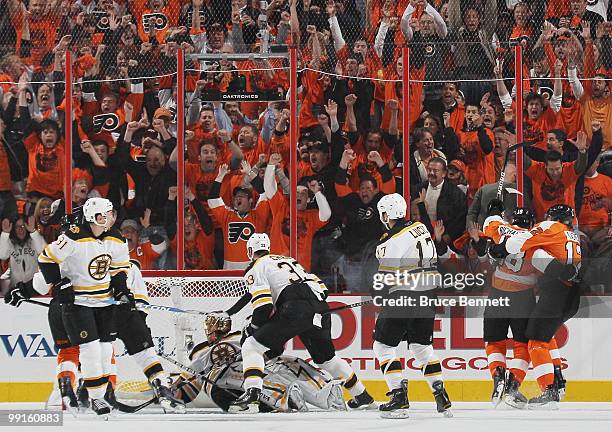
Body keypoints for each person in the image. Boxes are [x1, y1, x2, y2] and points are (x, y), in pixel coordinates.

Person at [218, 233, 374, 413]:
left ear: (250, 251)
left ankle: (252, 394)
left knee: (252, 347)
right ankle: (362, 395)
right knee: (327, 359)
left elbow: (264, 306)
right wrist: (230, 311)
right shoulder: (289, 261)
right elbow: (322, 290)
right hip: (320, 308)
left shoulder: (256, 266)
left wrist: (254, 329)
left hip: (295, 308)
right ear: (268, 248)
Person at [35, 198, 132, 417]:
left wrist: (122, 290)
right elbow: (46, 260)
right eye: (106, 213)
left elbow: (118, 269)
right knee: (90, 350)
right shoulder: (74, 236)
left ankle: (102, 393)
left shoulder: (116, 238)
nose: (110, 217)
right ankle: (95, 398)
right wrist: (61, 284)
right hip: (78, 304)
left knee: (106, 350)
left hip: (103, 303)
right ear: (95, 217)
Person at [489, 204, 581, 408]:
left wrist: (501, 248)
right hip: (572, 295)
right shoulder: (572, 235)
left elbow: (518, 243)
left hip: (556, 293)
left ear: (551, 217)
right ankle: (558, 382)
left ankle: (549, 391)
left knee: (535, 342)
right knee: (546, 336)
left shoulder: (550, 227)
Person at [372, 193, 452, 418]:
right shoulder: (420, 227)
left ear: (386, 214)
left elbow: (385, 278)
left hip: (404, 295)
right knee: (421, 347)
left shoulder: (390, 240)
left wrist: (377, 293)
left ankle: (398, 395)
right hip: (427, 295)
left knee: (383, 346)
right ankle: (441, 394)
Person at [172, 314, 347, 412]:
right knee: (288, 362)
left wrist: (171, 393)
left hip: (238, 387)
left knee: (286, 363)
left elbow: (188, 381)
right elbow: (275, 350)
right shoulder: (243, 339)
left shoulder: (204, 350)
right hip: (245, 382)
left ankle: (286, 396)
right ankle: (326, 392)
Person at [478, 207, 538, 409]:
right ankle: (513, 387)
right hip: (524, 297)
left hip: (497, 295)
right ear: (530, 223)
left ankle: (497, 377)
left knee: (495, 341)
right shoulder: (535, 236)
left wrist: (495, 210)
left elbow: (487, 224)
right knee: (522, 345)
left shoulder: (501, 229)